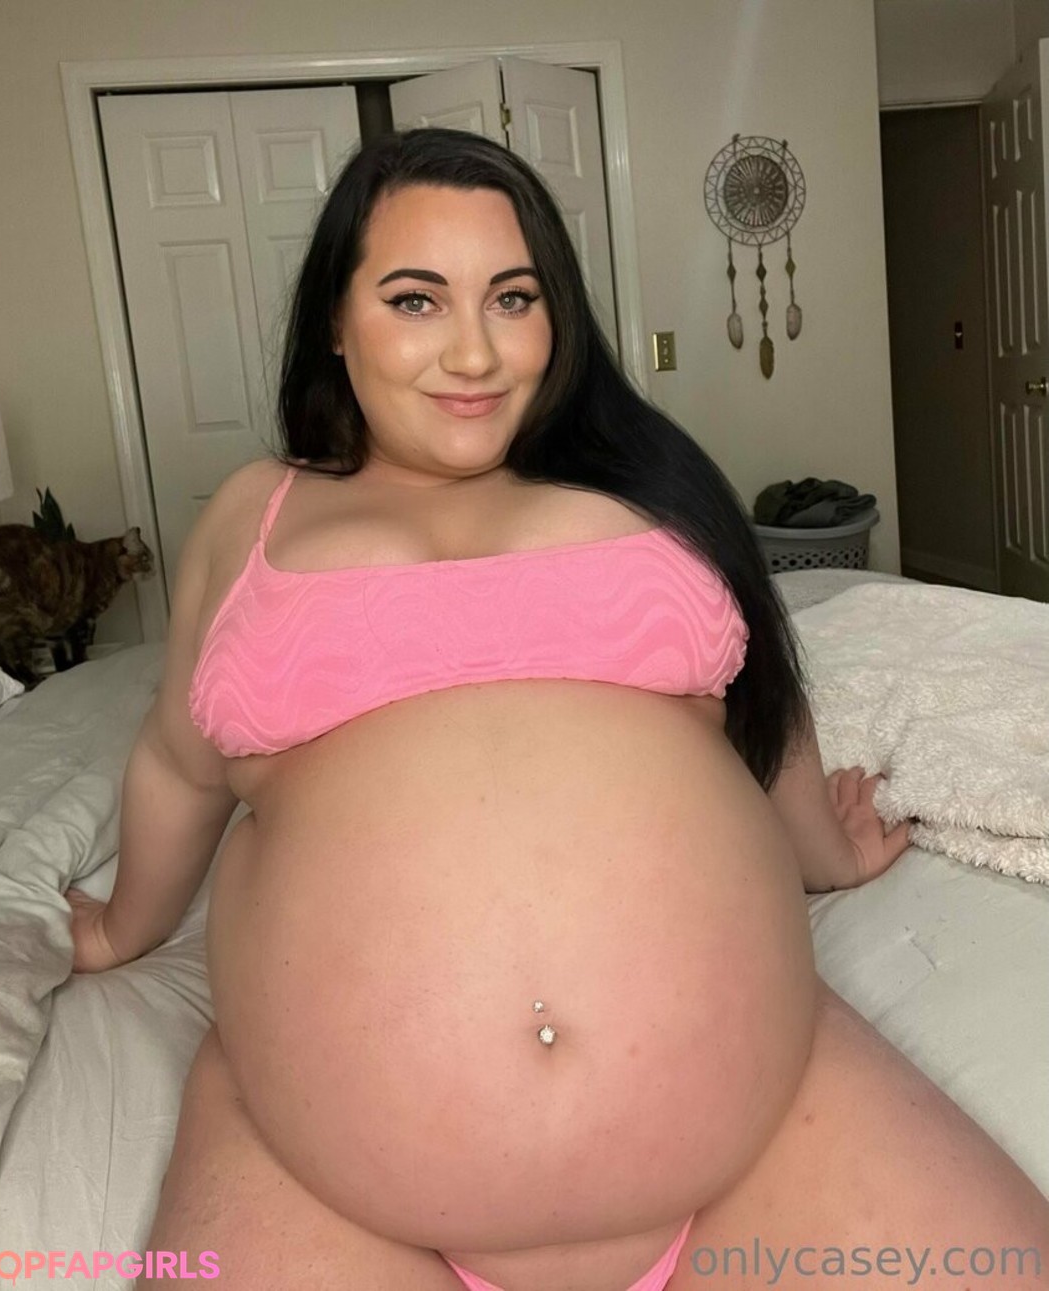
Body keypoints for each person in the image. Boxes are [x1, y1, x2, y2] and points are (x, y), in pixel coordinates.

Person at [67, 127, 1049, 1291]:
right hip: (332, 1187)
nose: (474, 352)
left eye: (513, 297)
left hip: (758, 1141)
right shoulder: (258, 513)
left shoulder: (645, 485)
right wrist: (120, 929)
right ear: (336, 320)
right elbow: (180, 765)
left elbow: (759, 697)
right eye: (416, 300)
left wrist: (825, 855)